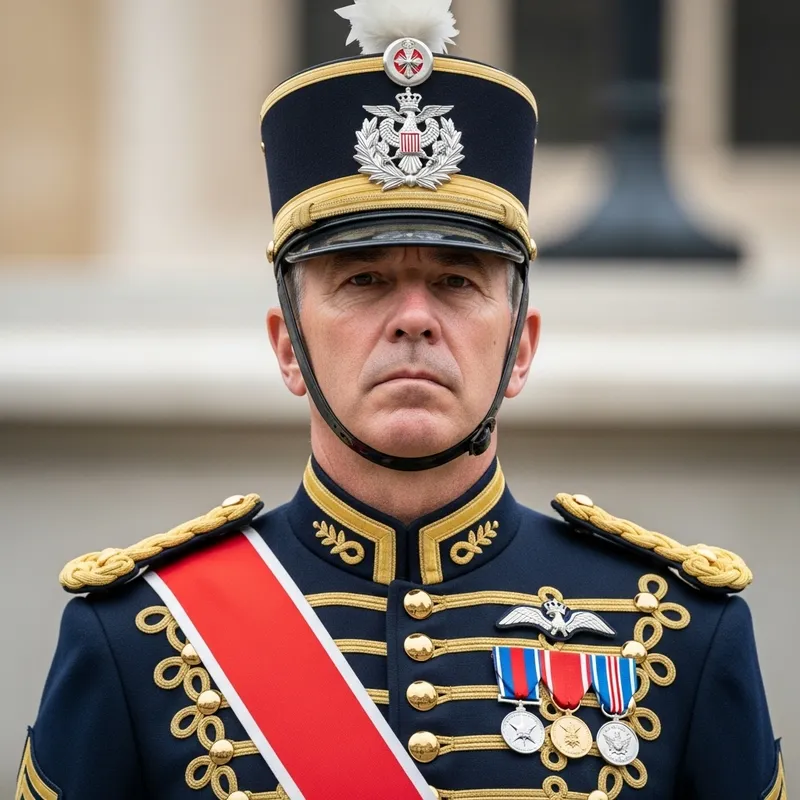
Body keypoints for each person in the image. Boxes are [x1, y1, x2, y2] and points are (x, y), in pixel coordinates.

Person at [17, 2, 783, 799]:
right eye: (364, 280)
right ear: (289, 346)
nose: (414, 318)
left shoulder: (677, 632)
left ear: (521, 347)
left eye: (457, 280)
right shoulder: (136, 635)